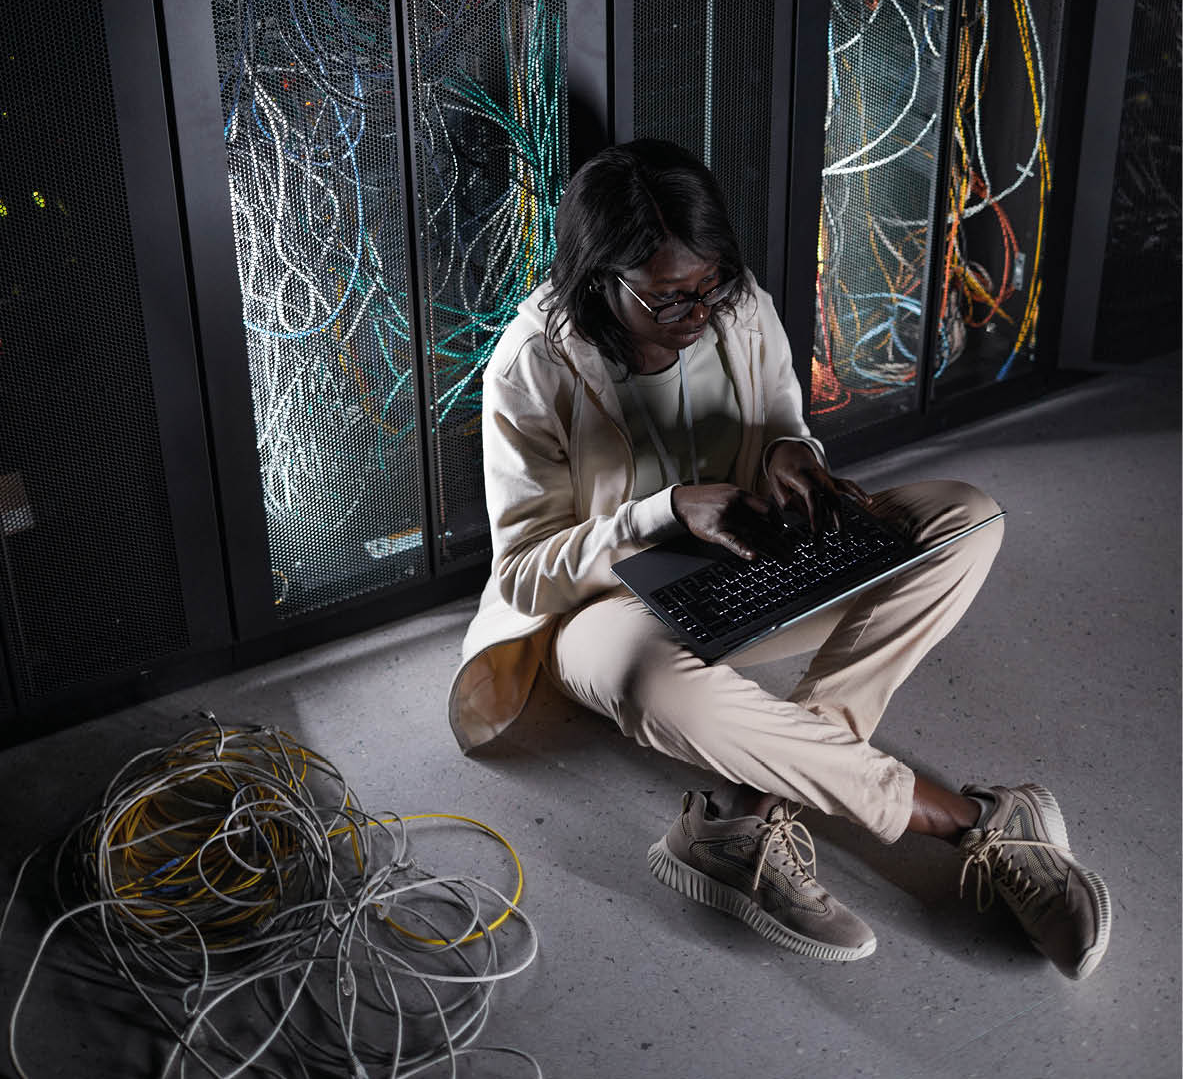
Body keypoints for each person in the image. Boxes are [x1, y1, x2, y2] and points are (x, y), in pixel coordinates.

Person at [447, 139, 1111, 977]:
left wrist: (790, 456)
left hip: (755, 562)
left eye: (709, 284)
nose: (697, 311)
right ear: (598, 280)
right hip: (608, 605)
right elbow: (523, 573)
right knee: (647, 683)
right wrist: (664, 510)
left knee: (965, 520)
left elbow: (779, 421)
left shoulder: (736, 303)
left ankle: (744, 819)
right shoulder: (529, 365)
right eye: (667, 296)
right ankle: (972, 821)